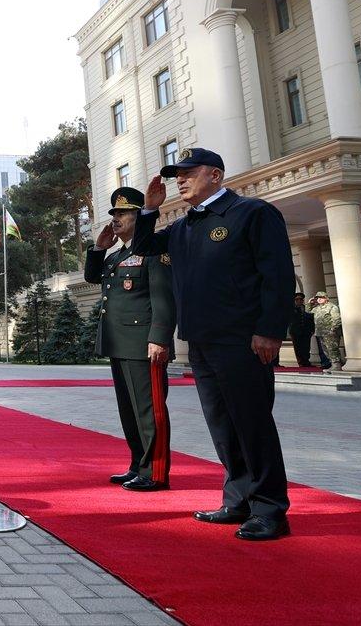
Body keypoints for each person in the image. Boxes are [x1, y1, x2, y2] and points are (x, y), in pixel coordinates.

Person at [133, 147, 293, 541]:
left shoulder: (252, 213)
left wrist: (270, 331)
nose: (180, 180)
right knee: (222, 425)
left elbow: (278, 275)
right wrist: (150, 211)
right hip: (202, 342)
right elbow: (144, 247)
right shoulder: (187, 225)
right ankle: (238, 500)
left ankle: (271, 509)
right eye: (177, 175)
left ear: (216, 176)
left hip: (243, 340)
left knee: (252, 423)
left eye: (189, 172)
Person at [84, 187, 175, 492]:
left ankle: (155, 473)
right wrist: (98, 249)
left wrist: (159, 338)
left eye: (123, 213)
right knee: (129, 410)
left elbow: (163, 298)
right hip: (118, 343)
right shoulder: (119, 255)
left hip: (143, 344)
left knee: (149, 411)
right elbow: (93, 277)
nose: (116, 219)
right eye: (114, 214)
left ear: (139, 216)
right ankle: (138, 464)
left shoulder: (153, 251)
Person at [310, 292, 346, 371]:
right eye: (317, 297)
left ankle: (336, 365)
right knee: (325, 349)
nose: (319, 299)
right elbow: (308, 313)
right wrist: (310, 303)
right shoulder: (317, 308)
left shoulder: (332, 307)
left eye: (321, 297)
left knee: (332, 348)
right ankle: (334, 363)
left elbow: (336, 319)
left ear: (326, 298)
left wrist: (332, 329)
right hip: (320, 332)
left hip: (330, 333)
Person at [288, 293, 315, 367]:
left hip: (306, 331)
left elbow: (311, 319)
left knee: (306, 347)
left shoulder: (306, 308)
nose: (299, 301)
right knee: (298, 348)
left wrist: (312, 329)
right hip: (295, 331)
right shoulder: (292, 309)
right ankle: (301, 362)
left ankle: (306, 361)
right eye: (297, 299)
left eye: (301, 299)